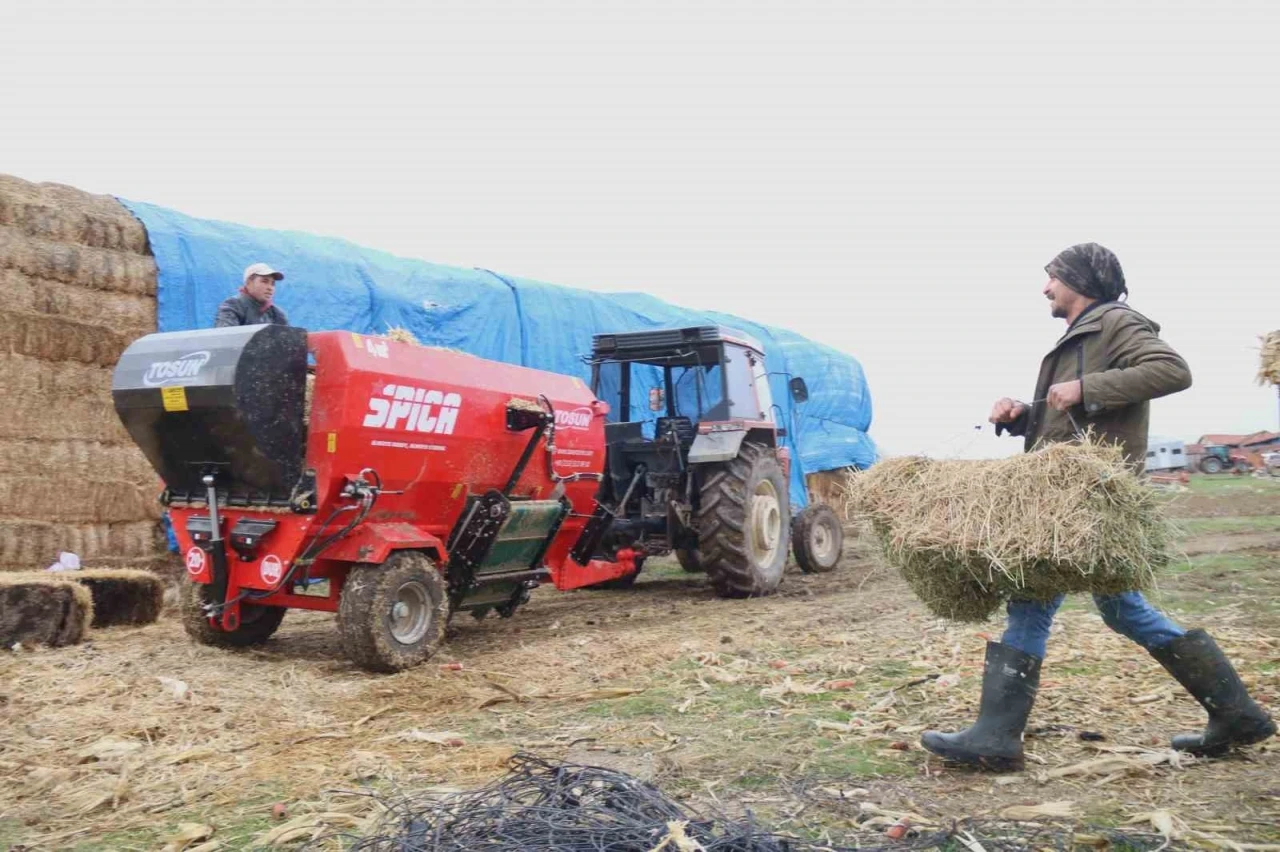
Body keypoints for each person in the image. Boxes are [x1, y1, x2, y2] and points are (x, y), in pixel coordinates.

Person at [920, 242, 1275, 771]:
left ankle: (995, 737)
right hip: (1071, 495)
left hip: (1088, 498)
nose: (1045, 289)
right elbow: (1061, 415)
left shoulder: (1116, 322)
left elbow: (1172, 371)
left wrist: (1087, 387)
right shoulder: (1079, 336)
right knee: (1122, 608)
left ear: (1078, 279)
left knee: (1032, 598)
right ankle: (1237, 714)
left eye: (1052, 279)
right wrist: (1021, 415)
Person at [214, 262, 290, 327]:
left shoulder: (277, 314)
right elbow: (226, 338)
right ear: (248, 282)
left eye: (273, 284)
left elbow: (288, 341)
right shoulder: (233, 306)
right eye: (265, 281)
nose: (270, 288)